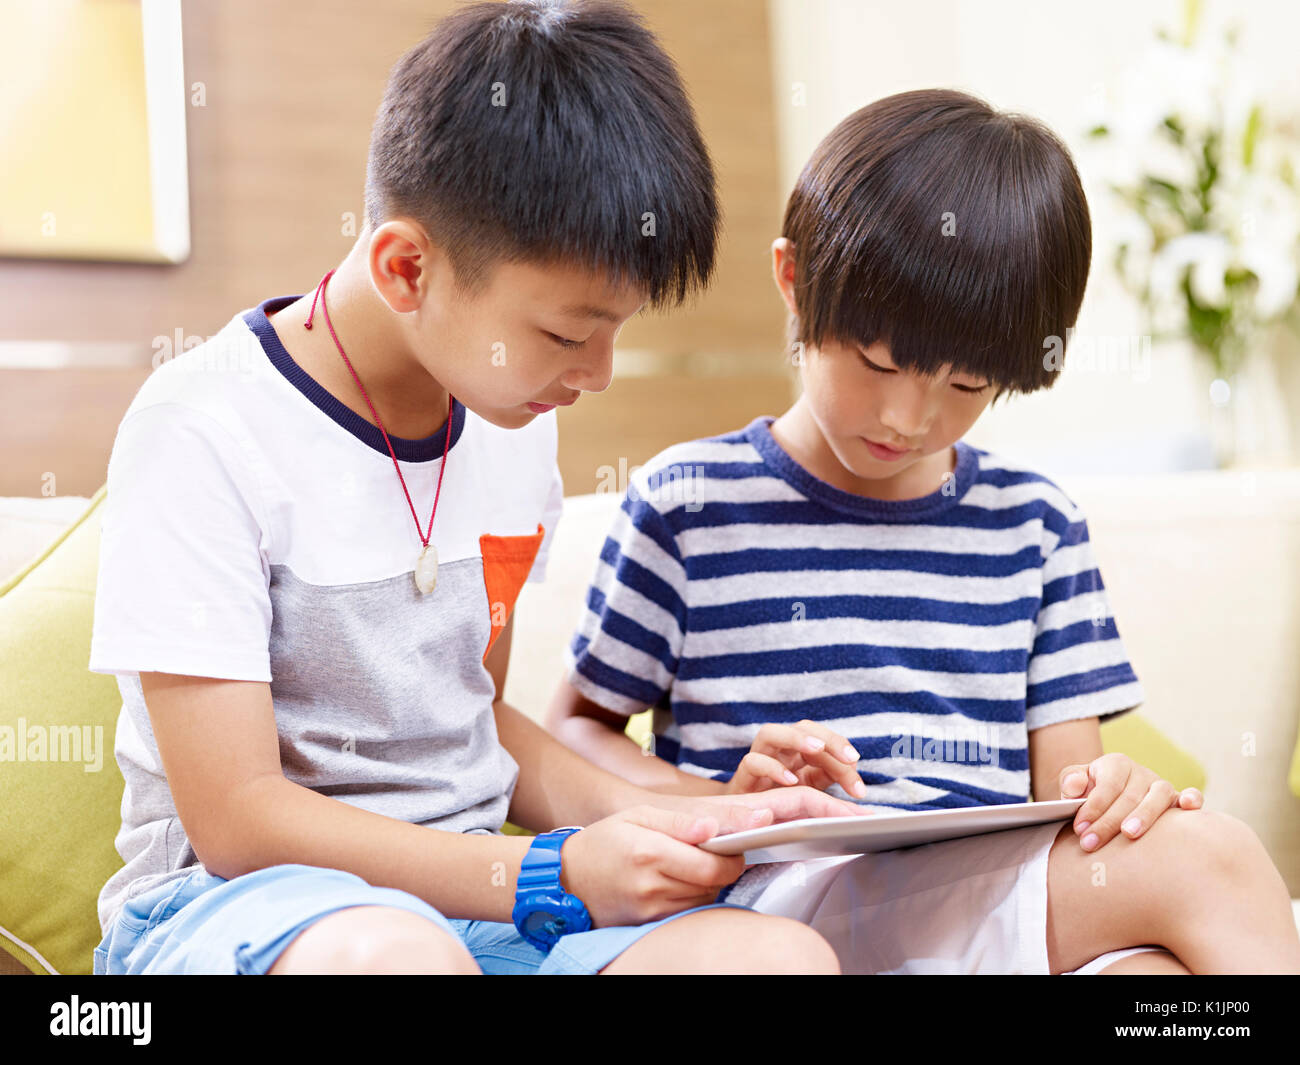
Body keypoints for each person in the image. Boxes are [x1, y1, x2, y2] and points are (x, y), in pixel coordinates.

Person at [88, 0, 859, 977]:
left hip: (473, 899)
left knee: (775, 959)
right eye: (568, 334)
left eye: (617, 330)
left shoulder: (511, 420)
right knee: (394, 960)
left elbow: (472, 720)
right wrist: (543, 875)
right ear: (406, 267)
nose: (598, 374)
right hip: (240, 907)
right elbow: (238, 819)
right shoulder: (201, 428)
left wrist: (692, 815)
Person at [547, 88, 1300, 975]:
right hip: (764, 908)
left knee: (1157, 975)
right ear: (793, 279)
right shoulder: (689, 501)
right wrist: (720, 800)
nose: (907, 416)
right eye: (878, 363)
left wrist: (1114, 795)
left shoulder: (1037, 526)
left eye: (967, 385)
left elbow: (1070, 791)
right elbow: (572, 734)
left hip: (981, 904)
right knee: (1206, 861)